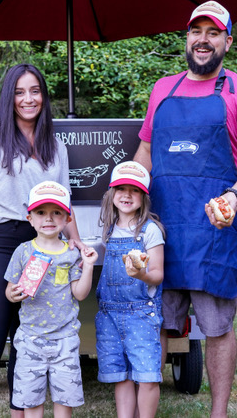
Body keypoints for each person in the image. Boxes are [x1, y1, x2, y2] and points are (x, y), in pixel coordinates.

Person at [133, 0, 237, 418]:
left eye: (213, 32)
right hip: (162, 228)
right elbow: (145, 151)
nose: (203, 40)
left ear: (227, 41)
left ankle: (219, 414)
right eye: (197, 31)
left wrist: (233, 196)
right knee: (155, 322)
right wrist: (130, 196)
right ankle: (146, 412)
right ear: (187, 37)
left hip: (215, 229)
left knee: (216, 327)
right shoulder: (163, 89)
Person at [0, 63, 85, 418]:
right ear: (9, 97)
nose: (28, 99)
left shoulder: (55, 145)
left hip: (41, 242)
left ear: (43, 95)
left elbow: (64, 203)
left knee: (24, 344)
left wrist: (78, 243)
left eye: (35, 91)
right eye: (19, 92)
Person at [4, 181, 98, 418]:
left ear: (67, 219)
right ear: (30, 219)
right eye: (41, 213)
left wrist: (87, 266)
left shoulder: (71, 253)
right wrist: (12, 294)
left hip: (64, 339)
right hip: (30, 339)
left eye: (56, 212)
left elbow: (80, 293)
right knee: (31, 401)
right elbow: (9, 290)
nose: (48, 218)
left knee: (64, 400)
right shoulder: (23, 251)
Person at [95, 161, 165, 418]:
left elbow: (157, 275)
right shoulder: (108, 231)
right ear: (112, 194)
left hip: (140, 315)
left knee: (147, 376)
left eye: (134, 190)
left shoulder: (150, 231)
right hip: (110, 316)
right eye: (120, 188)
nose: (126, 195)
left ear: (143, 197)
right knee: (120, 375)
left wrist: (141, 274)